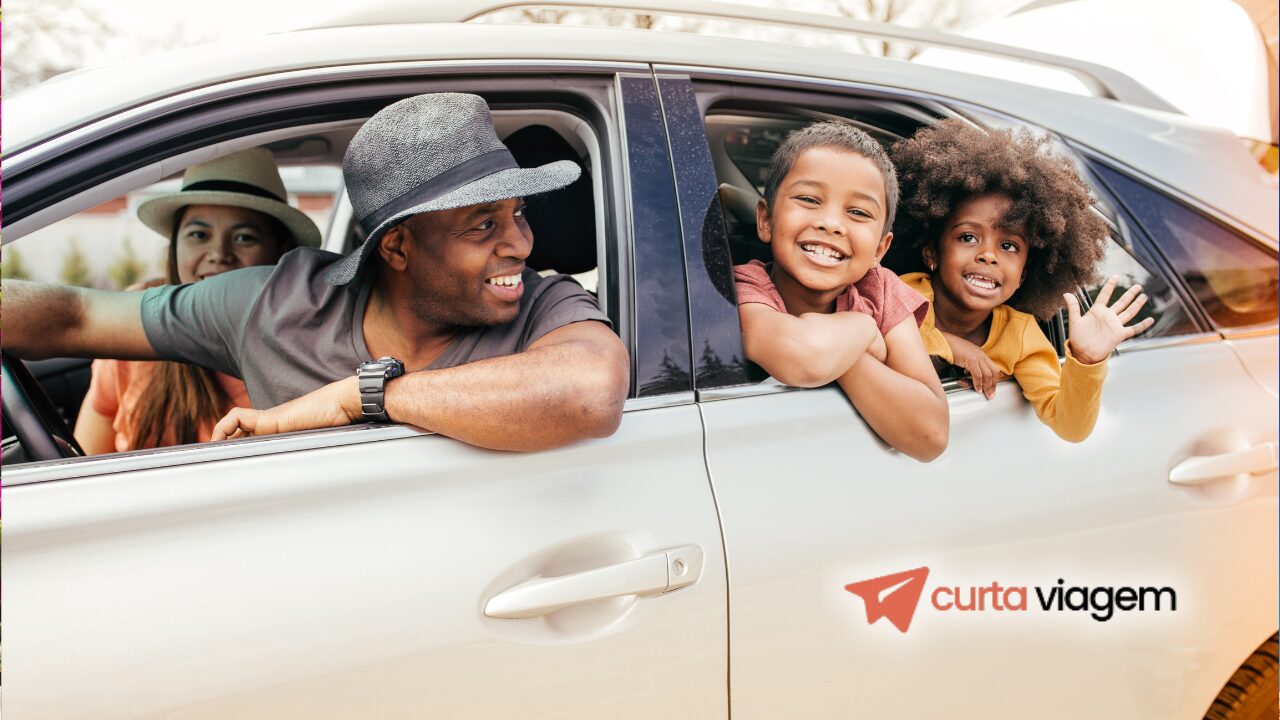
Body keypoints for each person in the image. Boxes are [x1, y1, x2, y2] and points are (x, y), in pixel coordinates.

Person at [6, 93, 630, 452]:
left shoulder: (546, 307)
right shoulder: (273, 304)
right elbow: (75, 314)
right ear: (398, 247)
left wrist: (353, 398)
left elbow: (589, 392)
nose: (521, 243)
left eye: (519, 214)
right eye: (482, 224)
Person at [887, 118, 1154, 443]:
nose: (989, 255)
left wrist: (1086, 360)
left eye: (1009, 246)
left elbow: (1070, 427)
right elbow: (873, 331)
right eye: (968, 237)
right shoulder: (903, 291)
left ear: (1024, 274)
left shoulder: (1021, 336)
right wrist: (953, 347)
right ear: (932, 253)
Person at [73, 149, 323, 454]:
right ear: (175, 246)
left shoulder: (307, 348)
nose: (219, 253)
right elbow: (82, 466)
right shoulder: (131, 331)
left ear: (280, 252)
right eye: (199, 234)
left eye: (244, 237)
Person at [732, 122, 948, 462]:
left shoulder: (880, 288)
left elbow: (931, 435)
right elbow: (803, 356)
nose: (831, 223)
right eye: (808, 199)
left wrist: (845, 353)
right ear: (766, 220)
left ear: (880, 249)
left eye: (858, 212)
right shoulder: (746, 286)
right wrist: (864, 331)